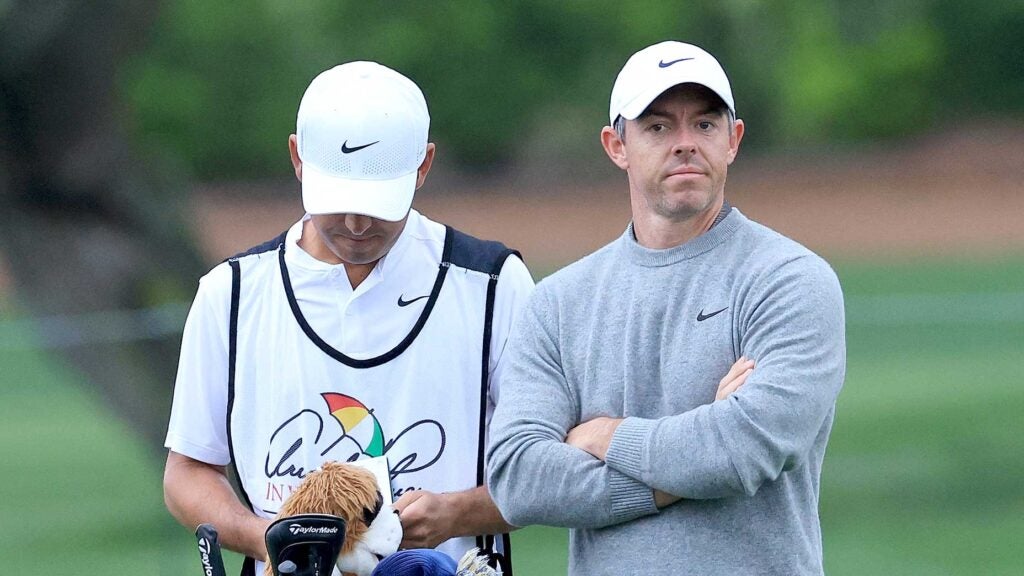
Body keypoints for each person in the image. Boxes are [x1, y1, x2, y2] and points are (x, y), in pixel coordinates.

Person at [486, 41, 846, 575]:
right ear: (617, 145)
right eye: (657, 127)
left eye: (704, 125)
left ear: (733, 140)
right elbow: (519, 480)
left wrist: (606, 436)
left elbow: (743, 451)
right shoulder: (558, 303)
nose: (685, 144)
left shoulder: (789, 281)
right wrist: (683, 468)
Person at [164, 61, 533, 576]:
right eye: (337, 200)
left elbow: (546, 468)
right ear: (297, 157)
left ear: (424, 166)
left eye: (379, 202)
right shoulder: (231, 292)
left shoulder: (493, 284)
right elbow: (188, 471)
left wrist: (457, 514)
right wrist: (273, 542)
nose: (357, 223)